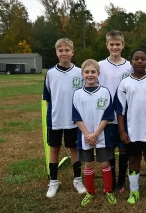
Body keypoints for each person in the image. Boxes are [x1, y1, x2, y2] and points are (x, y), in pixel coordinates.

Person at [115, 49, 146, 204]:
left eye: (143, 59)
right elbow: (120, 111)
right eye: (136, 58)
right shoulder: (124, 83)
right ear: (131, 62)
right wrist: (122, 131)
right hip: (132, 132)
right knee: (134, 159)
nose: (140, 61)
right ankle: (134, 192)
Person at [42, 38, 86, 198]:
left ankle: (77, 180)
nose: (64, 53)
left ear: (72, 52)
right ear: (56, 53)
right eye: (60, 50)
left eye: (67, 50)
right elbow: (47, 97)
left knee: (74, 149)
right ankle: (53, 182)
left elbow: (83, 96)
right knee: (54, 148)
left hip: (74, 120)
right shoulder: (50, 73)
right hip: (55, 119)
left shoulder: (79, 72)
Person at [72, 59, 117, 206]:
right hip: (85, 136)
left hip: (101, 135)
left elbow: (107, 116)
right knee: (88, 165)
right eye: (87, 72)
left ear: (98, 73)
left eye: (93, 72)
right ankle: (90, 192)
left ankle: (108, 191)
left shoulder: (104, 92)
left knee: (105, 163)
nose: (90, 75)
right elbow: (77, 117)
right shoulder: (77, 94)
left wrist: (96, 134)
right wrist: (88, 135)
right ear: (82, 73)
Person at [98, 30, 132, 193]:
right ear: (107, 46)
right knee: (109, 149)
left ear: (123, 45)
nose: (115, 47)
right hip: (106, 116)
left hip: (125, 116)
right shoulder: (100, 66)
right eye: (112, 44)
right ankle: (110, 180)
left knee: (124, 149)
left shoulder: (130, 66)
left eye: (118, 44)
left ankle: (121, 181)